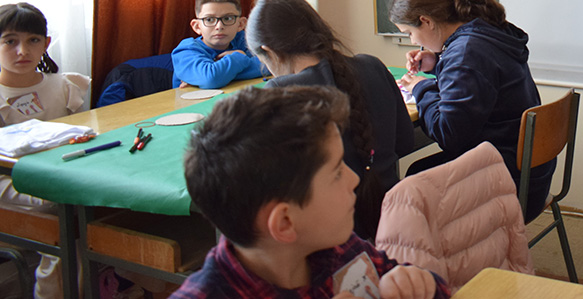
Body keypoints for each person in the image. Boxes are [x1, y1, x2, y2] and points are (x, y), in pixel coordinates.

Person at [171, 85, 450, 299]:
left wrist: (417, 285)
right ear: (285, 222)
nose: (354, 178)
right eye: (337, 172)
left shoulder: (334, 247)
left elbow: (424, 285)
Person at [245, 0, 415, 239]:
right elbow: (406, 143)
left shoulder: (279, 93)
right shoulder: (373, 66)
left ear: (269, 51)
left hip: (330, 236)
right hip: (393, 219)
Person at [387, 0, 554, 223]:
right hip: (530, 173)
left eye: (409, 32)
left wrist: (421, 87)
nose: (413, 41)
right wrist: (438, 62)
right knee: (421, 174)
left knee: (414, 183)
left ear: (426, 21)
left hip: (511, 184)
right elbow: (479, 78)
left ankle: (437, 248)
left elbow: (448, 134)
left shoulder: (466, 53)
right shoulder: (485, 31)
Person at [0, 2, 91, 299]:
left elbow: (82, 133)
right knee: (62, 210)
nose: (22, 51)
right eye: (10, 41)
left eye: (33, 40)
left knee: (96, 204)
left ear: (46, 43)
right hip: (10, 182)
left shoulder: (64, 86)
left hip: (62, 172)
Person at [171, 0, 264, 89]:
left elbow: (272, 62)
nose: (219, 26)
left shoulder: (242, 39)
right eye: (209, 19)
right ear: (197, 26)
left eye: (228, 18)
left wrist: (221, 74)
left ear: (241, 24)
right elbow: (211, 79)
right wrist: (239, 56)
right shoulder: (186, 50)